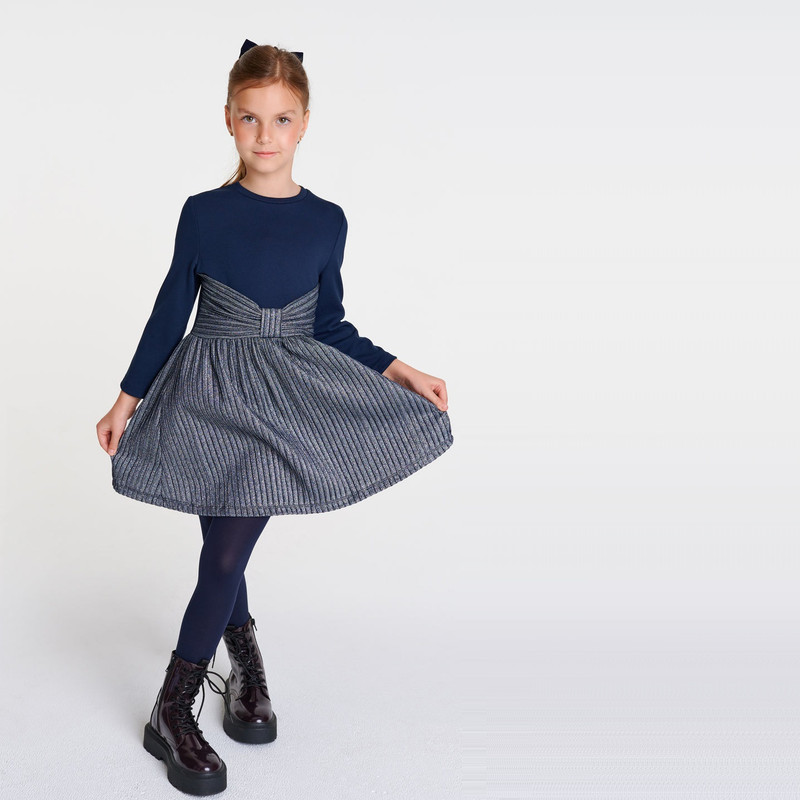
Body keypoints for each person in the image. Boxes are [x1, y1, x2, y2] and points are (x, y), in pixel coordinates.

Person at [96, 39, 453, 796]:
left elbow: (329, 324)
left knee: (225, 555)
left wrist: (400, 369)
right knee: (224, 550)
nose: (266, 135)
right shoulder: (203, 213)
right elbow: (170, 310)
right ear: (228, 120)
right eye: (251, 118)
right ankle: (224, 676)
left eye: (281, 119)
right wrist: (128, 398)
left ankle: (179, 696)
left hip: (281, 402)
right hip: (205, 395)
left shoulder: (327, 221)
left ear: (305, 123)